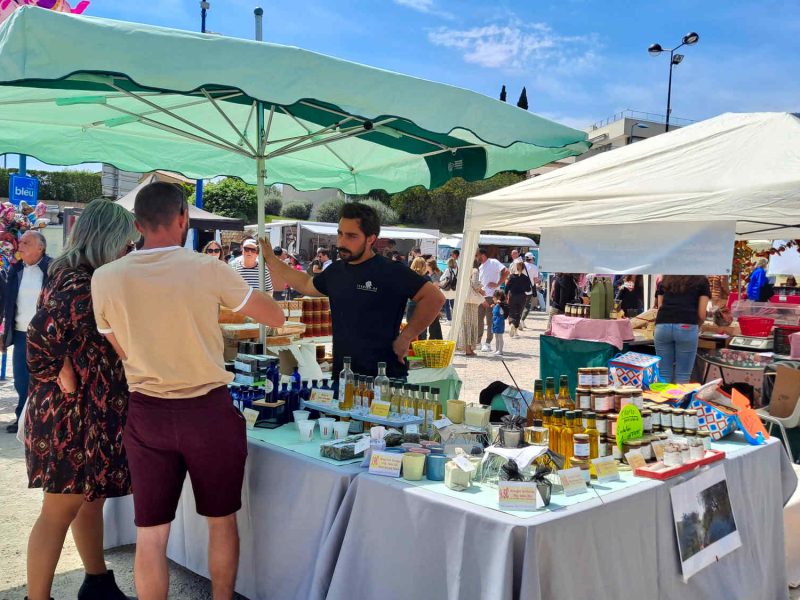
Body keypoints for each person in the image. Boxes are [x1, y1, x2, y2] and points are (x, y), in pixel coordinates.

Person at [91, 182, 285, 600]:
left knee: (151, 534)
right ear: (183, 219)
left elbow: (119, 346)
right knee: (220, 520)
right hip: (207, 411)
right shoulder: (207, 268)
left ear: (138, 224)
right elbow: (275, 316)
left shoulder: (105, 278)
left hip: (147, 411)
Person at [24, 200, 137, 600]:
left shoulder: (79, 274)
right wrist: (58, 369)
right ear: (106, 239)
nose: (129, 250)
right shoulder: (77, 280)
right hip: (71, 414)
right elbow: (38, 336)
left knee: (89, 500)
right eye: (125, 243)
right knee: (59, 510)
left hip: (93, 409)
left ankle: (97, 581)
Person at [260, 202, 444, 379]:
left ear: (371, 238)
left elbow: (434, 298)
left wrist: (407, 337)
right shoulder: (336, 271)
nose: (342, 242)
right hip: (343, 375)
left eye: (351, 236)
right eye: (340, 234)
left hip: (385, 377)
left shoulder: (391, 271)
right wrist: (271, 260)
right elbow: (306, 284)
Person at [2, 230, 51, 433]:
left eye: (26, 243)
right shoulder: (16, 269)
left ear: (40, 247)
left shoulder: (53, 268)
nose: (20, 246)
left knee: (43, 378)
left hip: (46, 335)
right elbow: (7, 302)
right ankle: (22, 419)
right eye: (20, 242)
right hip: (22, 334)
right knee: (22, 380)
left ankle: (42, 419)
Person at [654, 275, 710, 383]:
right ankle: (680, 400)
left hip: (662, 325)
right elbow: (702, 314)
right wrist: (696, 326)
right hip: (687, 325)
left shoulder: (665, 279)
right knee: (682, 376)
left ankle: (664, 400)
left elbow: (660, 307)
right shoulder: (701, 281)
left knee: (663, 374)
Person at [476, 248, 509, 352]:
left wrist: (498, 284)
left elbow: (506, 272)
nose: (476, 258)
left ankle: (488, 343)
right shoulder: (480, 267)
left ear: (482, 255)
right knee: (479, 320)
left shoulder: (493, 262)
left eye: (477, 255)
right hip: (481, 297)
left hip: (491, 297)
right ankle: (478, 342)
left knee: (490, 321)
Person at [406, 258, 442, 340]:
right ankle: (420, 350)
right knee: (422, 332)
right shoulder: (427, 279)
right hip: (423, 307)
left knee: (411, 331)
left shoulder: (408, 277)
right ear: (423, 267)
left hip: (411, 306)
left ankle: (412, 350)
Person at [457, 260, 487, 356]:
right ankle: (469, 349)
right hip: (472, 302)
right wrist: (481, 291)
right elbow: (475, 285)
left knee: (465, 324)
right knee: (471, 324)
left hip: (464, 299)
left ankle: (466, 348)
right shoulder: (475, 271)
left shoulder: (464, 270)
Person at [505, 261, 533, 337]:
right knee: (518, 313)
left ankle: (512, 324)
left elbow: (507, 287)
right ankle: (516, 329)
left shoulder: (512, 277)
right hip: (522, 297)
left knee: (511, 312)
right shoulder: (526, 278)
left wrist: (505, 294)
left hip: (512, 296)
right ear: (523, 268)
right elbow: (528, 289)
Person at [519, 251, 540, 326]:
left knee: (520, 305)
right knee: (527, 306)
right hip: (529, 289)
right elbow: (535, 279)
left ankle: (519, 320)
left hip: (519, 288)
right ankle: (522, 319)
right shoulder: (534, 267)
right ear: (531, 259)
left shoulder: (521, 265)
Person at [439, 257, 458, 321]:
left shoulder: (448, 270)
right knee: (453, 305)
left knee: (446, 304)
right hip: (454, 289)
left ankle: (449, 319)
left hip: (447, 290)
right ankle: (455, 319)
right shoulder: (457, 269)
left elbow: (441, 278)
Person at [491, 290, 508, 356]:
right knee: (496, 337)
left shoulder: (501, 305)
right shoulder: (497, 305)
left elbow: (504, 310)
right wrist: (495, 305)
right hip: (495, 322)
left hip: (499, 323)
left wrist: (499, 304)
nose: (493, 298)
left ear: (498, 297)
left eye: (494, 297)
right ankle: (497, 349)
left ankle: (500, 350)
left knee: (499, 337)